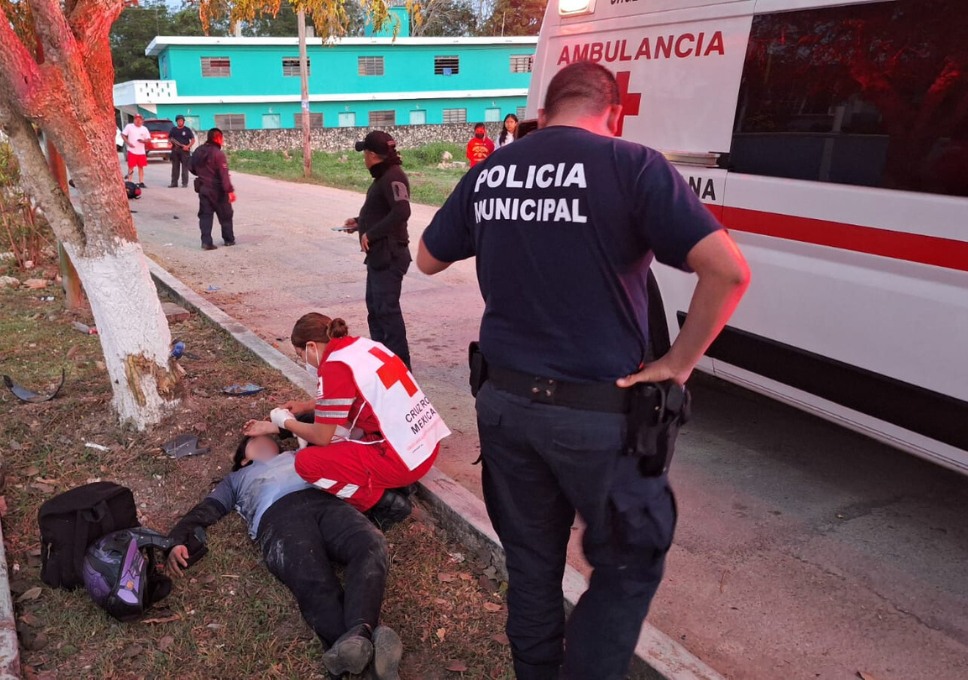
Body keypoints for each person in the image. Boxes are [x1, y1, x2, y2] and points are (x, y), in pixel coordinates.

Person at [416, 62, 751, 680]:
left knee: (532, 565)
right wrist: (676, 364)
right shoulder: (635, 165)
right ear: (615, 112)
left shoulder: (491, 170)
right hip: (600, 417)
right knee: (629, 562)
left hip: (507, 405)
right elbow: (728, 272)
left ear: (543, 113)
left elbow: (427, 258)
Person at [165, 432, 405, 679]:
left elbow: (326, 429)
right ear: (244, 460)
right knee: (311, 576)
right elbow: (205, 510)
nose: (262, 441)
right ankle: (366, 662)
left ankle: (359, 633)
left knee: (370, 543)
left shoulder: (299, 455)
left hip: (327, 504)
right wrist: (177, 540)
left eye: (267, 440)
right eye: (253, 443)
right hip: (278, 517)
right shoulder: (235, 479)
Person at [244, 313, 450, 532]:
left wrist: (286, 422)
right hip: (425, 446)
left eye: (300, 354)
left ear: (311, 346)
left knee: (307, 463)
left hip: (402, 461)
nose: (304, 361)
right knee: (337, 427)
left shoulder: (334, 366)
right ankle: (395, 484)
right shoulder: (362, 346)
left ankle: (384, 503)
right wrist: (306, 406)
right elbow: (354, 393)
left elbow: (322, 437)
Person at [339, 130, 413, 368]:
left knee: (387, 314)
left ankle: (401, 371)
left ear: (371, 154)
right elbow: (383, 212)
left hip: (390, 255)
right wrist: (360, 224)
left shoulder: (393, 176)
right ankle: (383, 366)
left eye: (365, 153)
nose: (364, 159)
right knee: (376, 311)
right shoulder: (383, 177)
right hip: (380, 256)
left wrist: (371, 233)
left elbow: (402, 212)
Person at [189, 128, 236, 251]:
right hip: (218, 190)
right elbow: (224, 174)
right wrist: (229, 191)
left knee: (205, 215)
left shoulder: (198, 151)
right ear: (218, 138)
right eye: (222, 138)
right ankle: (228, 239)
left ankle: (206, 242)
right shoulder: (218, 154)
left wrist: (202, 173)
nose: (222, 141)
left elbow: (191, 167)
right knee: (225, 215)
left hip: (204, 188)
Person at [121, 114, 151, 187]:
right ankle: (130, 182)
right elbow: (123, 135)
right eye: (136, 119)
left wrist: (143, 141)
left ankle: (141, 182)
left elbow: (148, 139)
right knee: (131, 166)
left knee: (141, 166)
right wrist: (128, 143)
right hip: (132, 150)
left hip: (141, 151)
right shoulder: (129, 127)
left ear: (142, 121)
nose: (138, 121)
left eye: (139, 120)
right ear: (134, 120)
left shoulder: (144, 129)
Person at [168, 114, 195, 188]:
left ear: (183, 121)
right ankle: (174, 183)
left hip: (184, 150)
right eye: (179, 121)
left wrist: (188, 146)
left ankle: (184, 183)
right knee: (175, 168)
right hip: (175, 150)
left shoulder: (187, 129)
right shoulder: (173, 129)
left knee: (185, 168)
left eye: (181, 120)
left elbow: (193, 139)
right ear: (176, 121)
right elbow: (170, 138)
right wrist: (170, 142)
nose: (180, 122)